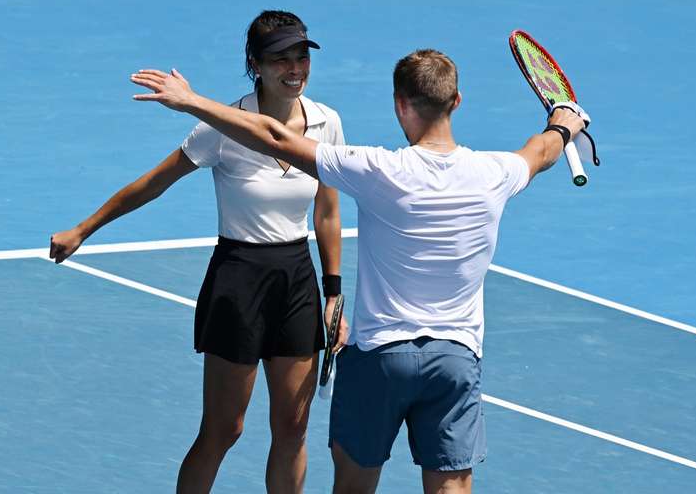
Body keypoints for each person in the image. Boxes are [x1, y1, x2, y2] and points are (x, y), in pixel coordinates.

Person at [130, 49, 587, 494]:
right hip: (455, 360)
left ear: (400, 104)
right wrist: (563, 124)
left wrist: (192, 101)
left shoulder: (376, 170)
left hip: (379, 361)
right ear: (457, 102)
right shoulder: (497, 172)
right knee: (452, 486)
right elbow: (541, 150)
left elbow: (274, 137)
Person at [50, 10, 349, 494]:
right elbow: (152, 184)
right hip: (239, 279)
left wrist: (333, 292)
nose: (294, 68)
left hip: (297, 281)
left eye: (300, 56)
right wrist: (84, 229)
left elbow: (328, 213)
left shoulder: (327, 123)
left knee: (292, 431)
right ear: (255, 64)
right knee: (223, 430)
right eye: (280, 59)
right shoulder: (220, 127)